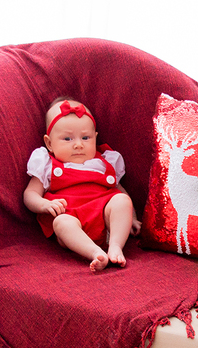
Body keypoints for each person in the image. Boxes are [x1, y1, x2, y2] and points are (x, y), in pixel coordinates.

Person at [24, 97, 141, 271]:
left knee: (122, 200)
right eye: (67, 139)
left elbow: (119, 189)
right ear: (49, 143)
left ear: (95, 138)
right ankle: (95, 253)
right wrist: (44, 205)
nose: (78, 145)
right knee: (61, 223)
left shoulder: (104, 161)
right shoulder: (47, 164)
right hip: (71, 217)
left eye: (85, 137)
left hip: (105, 219)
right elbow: (30, 194)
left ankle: (115, 245)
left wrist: (132, 218)